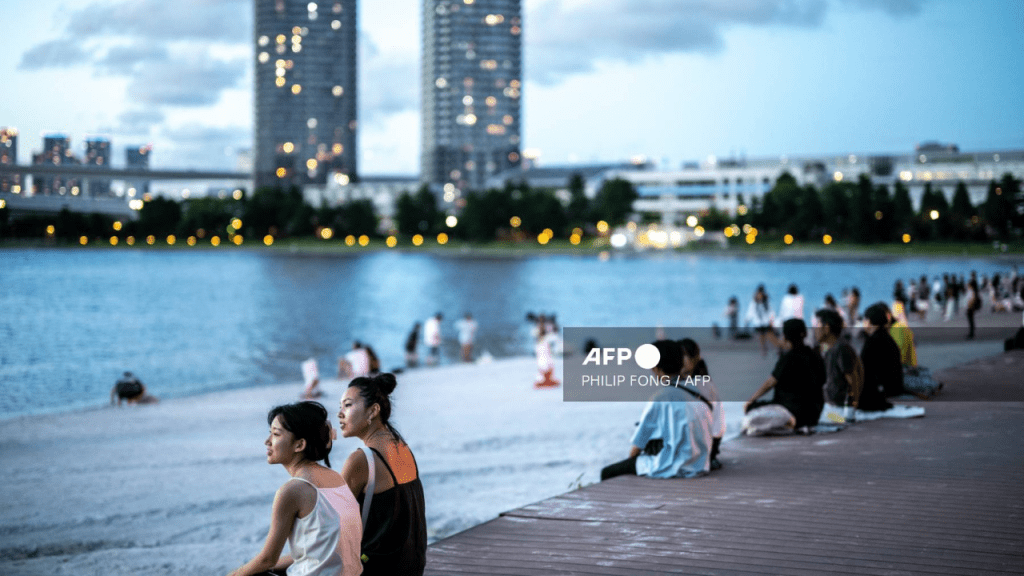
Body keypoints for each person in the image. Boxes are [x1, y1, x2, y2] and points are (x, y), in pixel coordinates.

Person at [228, 401, 362, 576]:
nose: (267, 441)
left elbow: (267, 559)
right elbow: (322, 549)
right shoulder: (336, 478)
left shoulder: (293, 491)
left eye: (276, 434)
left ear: (299, 445)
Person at [338, 374, 426, 576]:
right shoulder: (402, 447)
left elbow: (332, 530)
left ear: (373, 411)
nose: (339, 414)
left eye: (348, 405)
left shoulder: (360, 461)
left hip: (377, 569)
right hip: (411, 568)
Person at [600, 340, 713, 481]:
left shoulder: (660, 398)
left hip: (674, 467)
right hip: (700, 465)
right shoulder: (696, 391)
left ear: (657, 369)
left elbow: (638, 443)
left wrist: (631, 462)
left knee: (607, 472)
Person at [744, 319, 826, 432]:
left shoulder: (788, 358)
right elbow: (822, 381)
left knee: (751, 410)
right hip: (814, 413)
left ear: (786, 337)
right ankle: (791, 422)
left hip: (789, 409)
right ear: (805, 334)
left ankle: (788, 422)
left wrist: (751, 400)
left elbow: (770, 383)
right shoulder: (816, 356)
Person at [678, 338, 724, 470]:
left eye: (683, 357)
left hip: (700, 448)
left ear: (694, 359)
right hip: (711, 447)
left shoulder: (696, 385)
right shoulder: (705, 382)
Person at [814, 309, 863, 419]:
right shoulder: (830, 349)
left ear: (826, 328)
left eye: (816, 326)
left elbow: (853, 379)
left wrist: (852, 408)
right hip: (830, 407)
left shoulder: (841, 349)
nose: (814, 330)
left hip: (836, 409)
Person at [859, 303, 902, 408]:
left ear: (868, 322)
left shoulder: (872, 342)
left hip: (883, 390)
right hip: (895, 386)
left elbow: (864, 370)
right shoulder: (888, 338)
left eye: (864, 320)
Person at [745, 285, 775, 356]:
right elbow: (751, 311)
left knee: (764, 336)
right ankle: (764, 350)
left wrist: (747, 319)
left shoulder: (762, 299)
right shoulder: (760, 299)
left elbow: (751, 310)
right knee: (763, 336)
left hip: (762, 322)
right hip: (761, 322)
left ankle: (765, 349)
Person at [534, 322, 559, 388]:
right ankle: (545, 378)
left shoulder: (548, 339)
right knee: (544, 365)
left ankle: (547, 378)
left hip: (547, 360)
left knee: (547, 364)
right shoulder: (541, 342)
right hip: (543, 361)